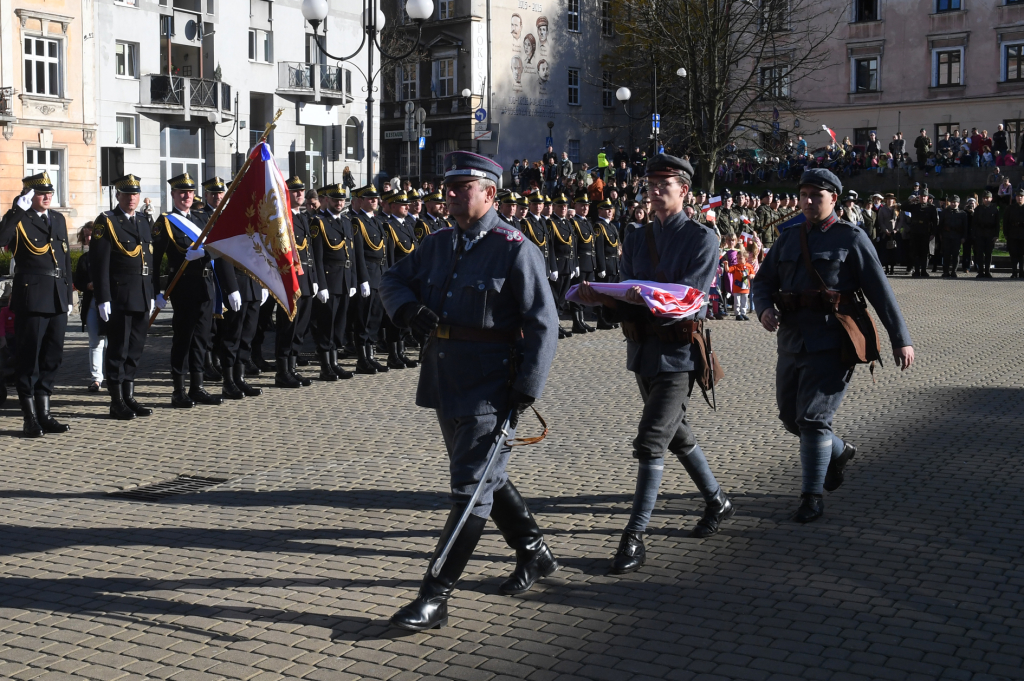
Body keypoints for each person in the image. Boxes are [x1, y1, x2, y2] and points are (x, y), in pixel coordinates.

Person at [380, 151, 559, 631]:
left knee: (469, 489)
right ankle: (535, 551)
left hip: (490, 388)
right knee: (486, 478)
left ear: (490, 193)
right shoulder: (438, 243)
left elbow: (544, 323)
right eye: (449, 186)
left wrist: (526, 388)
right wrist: (406, 309)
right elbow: (393, 277)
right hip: (445, 380)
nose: (453, 193)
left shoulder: (515, 248)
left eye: (464, 186)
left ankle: (434, 596)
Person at [576, 154, 734, 574]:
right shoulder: (634, 236)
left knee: (651, 439)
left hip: (680, 356)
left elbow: (689, 299)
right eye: (650, 184)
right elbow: (627, 291)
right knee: (677, 436)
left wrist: (642, 297)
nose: (654, 190)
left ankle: (634, 535)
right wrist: (604, 301)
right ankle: (718, 499)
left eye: (664, 183)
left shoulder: (703, 239)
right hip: (643, 353)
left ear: (684, 189)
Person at [752, 168, 914, 523]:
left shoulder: (851, 238)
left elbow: (880, 292)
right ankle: (838, 452)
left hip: (832, 340)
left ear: (834, 199)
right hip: (792, 339)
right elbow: (762, 281)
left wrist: (900, 339)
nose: (808, 202)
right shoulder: (788, 238)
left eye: (817, 196)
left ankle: (812, 496)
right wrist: (763, 308)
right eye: (804, 194)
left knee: (812, 419)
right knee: (790, 417)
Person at [0, 172, 74, 437]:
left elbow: (65, 260)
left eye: (50, 193)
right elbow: (1, 239)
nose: (47, 197)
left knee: (52, 356)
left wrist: (68, 296)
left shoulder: (57, 218)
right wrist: (14, 212)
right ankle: (29, 416)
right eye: (42, 193)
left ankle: (45, 413)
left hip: (56, 296)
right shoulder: (19, 218)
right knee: (29, 357)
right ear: (29, 196)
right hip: (32, 298)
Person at [151, 172, 229, 408]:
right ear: (173, 194)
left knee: (202, 339)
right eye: (182, 192)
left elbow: (217, 247)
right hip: (182, 286)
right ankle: (178, 390)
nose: (186, 196)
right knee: (183, 338)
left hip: (206, 285)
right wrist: (156, 292)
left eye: (190, 192)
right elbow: (154, 261)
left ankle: (198, 387)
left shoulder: (200, 218)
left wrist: (204, 253)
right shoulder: (165, 221)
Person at [90, 174, 157, 419]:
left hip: (140, 294)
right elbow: (99, 264)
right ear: (117, 195)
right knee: (118, 348)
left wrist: (151, 292)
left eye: (135, 194)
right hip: (119, 296)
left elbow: (148, 259)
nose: (132, 199)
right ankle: (116, 400)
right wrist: (102, 298)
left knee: (135, 348)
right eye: (127, 194)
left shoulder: (143, 220)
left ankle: (129, 396)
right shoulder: (106, 221)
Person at [310, 183, 363, 380]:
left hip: (344, 278)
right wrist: (321, 284)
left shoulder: (347, 222)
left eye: (342, 200)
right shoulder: (319, 223)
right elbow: (317, 257)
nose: (339, 203)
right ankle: (326, 366)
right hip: (329, 279)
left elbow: (352, 253)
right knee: (326, 323)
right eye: (335, 200)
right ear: (327, 200)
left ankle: (334, 362)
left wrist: (353, 281)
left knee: (339, 324)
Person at [274, 176, 320, 388]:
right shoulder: (282, 219)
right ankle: (282, 371)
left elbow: (309, 251)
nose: (300, 194)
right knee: (287, 326)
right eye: (295, 191)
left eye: (301, 191)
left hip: (306, 280)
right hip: (290, 280)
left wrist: (315, 280)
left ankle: (292, 368)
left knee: (300, 327)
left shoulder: (302, 218)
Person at [349, 184, 390, 373]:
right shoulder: (358, 222)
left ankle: (371, 355)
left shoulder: (377, 222)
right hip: (367, 273)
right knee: (363, 319)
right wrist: (362, 279)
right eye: (369, 198)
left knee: (375, 317)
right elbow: (358, 253)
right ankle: (362, 359)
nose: (374, 201)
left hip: (379, 274)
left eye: (375, 198)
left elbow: (383, 252)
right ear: (361, 201)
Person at [72, 223, 104, 393]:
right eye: (85, 236)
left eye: (91, 234)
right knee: (95, 341)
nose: (89, 239)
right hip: (91, 302)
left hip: (110, 303)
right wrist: (88, 286)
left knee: (114, 341)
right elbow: (78, 282)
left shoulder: (110, 255)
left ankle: (116, 376)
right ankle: (97, 378)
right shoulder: (84, 259)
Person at [569, 193, 596, 333]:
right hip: (580, 260)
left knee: (585, 292)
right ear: (576, 206)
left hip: (589, 262)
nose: (585, 208)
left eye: (586, 206)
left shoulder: (587, 222)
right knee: (578, 291)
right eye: (582, 205)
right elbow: (573, 244)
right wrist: (575, 263)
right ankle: (576, 322)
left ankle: (582, 320)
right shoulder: (574, 223)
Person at [971, 191, 1001, 279]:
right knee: (979, 254)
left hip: (990, 234)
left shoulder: (995, 209)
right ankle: (980, 271)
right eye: (984, 198)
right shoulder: (978, 209)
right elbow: (974, 223)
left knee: (988, 253)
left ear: (991, 199)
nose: (986, 200)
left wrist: (996, 235)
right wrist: (974, 234)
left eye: (988, 198)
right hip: (980, 233)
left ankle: (987, 271)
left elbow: (997, 223)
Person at [939, 195, 968, 278]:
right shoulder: (945, 212)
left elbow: (965, 227)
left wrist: (963, 237)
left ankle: (954, 271)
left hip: (957, 236)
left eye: (955, 202)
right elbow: (940, 225)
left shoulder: (962, 214)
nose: (953, 204)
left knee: (956, 255)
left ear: (958, 203)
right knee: (946, 254)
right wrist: (940, 234)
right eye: (952, 202)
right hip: (946, 236)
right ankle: (945, 272)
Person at [728, 250, 755, 321]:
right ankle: (738, 314)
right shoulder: (735, 267)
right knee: (737, 302)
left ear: (745, 259)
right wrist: (725, 264)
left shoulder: (749, 266)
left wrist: (751, 275)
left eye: (740, 258)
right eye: (737, 258)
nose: (738, 259)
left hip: (745, 288)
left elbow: (753, 274)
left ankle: (743, 313)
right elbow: (728, 270)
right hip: (737, 288)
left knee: (744, 302)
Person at [1003, 188, 1024, 278]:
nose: (1020, 198)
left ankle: (1022, 272)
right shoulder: (1010, 208)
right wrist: (1006, 234)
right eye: (1018, 196)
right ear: (1016, 197)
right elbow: (1005, 222)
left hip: (1023, 234)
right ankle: (1014, 271)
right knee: (1013, 253)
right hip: (1013, 233)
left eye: (1021, 196)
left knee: (1022, 254)